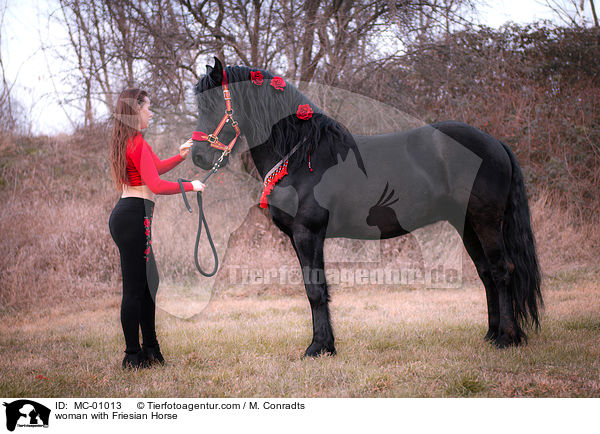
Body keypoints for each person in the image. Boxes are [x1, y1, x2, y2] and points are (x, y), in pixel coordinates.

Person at [108, 88, 204, 369]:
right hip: (134, 216)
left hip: (135, 215)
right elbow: (157, 186)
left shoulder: (135, 141)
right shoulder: (135, 142)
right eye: (147, 108)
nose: (151, 112)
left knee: (150, 283)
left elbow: (155, 169)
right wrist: (191, 186)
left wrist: (180, 157)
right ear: (135, 111)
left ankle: (150, 349)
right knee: (136, 289)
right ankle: (132, 355)